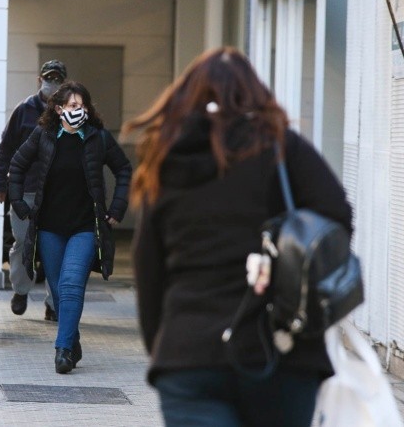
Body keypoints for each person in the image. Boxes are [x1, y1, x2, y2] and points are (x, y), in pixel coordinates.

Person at [128, 47, 353, 427]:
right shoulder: (283, 148)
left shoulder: (166, 160)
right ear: (255, 94)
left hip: (190, 355)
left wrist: (163, 345)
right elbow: (337, 218)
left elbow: (147, 268)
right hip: (281, 353)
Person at [9, 81, 132, 374]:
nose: (79, 111)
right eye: (73, 106)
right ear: (59, 108)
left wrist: (116, 208)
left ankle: (62, 350)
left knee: (71, 284)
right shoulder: (44, 135)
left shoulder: (98, 138)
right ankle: (72, 341)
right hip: (50, 228)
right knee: (59, 290)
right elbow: (17, 166)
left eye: (83, 106)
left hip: (85, 227)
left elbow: (124, 168)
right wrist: (19, 204)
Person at [0, 60, 67, 320]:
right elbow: (5, 149)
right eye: (49, 78)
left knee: (56, 247)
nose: (52, 83)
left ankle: (54, 304)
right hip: (25, 190)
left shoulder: (69, 111)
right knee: (23, 243)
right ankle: (21, 290)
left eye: (58, 80)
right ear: (39, 80)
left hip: (58, 193)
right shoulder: (23, 111)